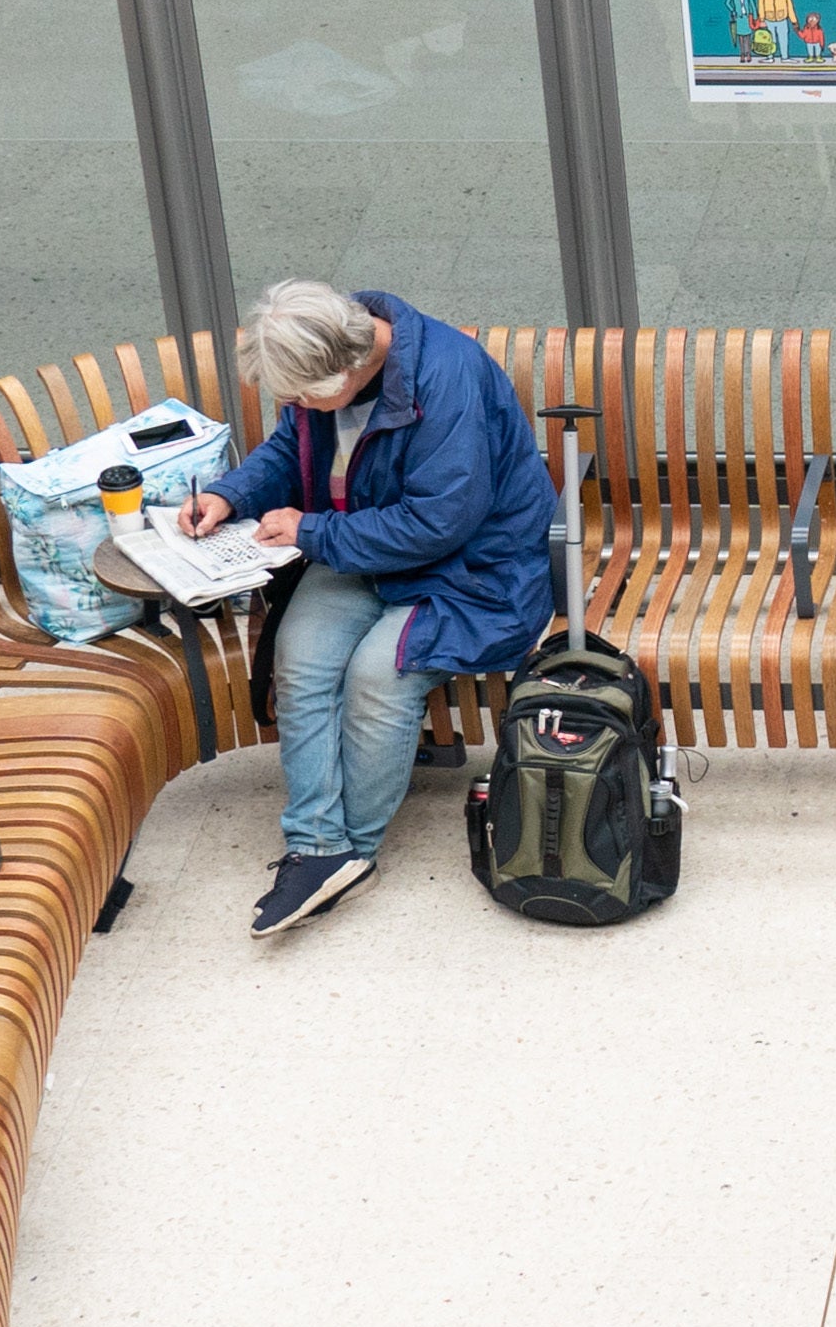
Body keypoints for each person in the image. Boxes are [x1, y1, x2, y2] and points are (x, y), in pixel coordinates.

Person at [178, 279, 564, 938]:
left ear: (350, 366)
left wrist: (310, 533)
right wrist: (230, 495)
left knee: (378, 678)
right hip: (358, 543)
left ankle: (349, 850)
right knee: (299, 660)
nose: (295, 405)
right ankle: (316, 844)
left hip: (472, 568)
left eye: (301, 394)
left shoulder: (446, 381)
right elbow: (286, 449)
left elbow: (442, 521)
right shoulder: (329, 363)